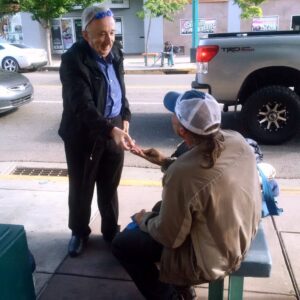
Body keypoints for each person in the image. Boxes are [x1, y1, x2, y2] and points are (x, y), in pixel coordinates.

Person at [112, 90, 262, 299]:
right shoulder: (236, 140)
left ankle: (170, 295)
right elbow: (206, 177)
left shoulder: (182, 173)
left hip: (212, 260)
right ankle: (181, 287)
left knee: (122, 244)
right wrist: (164, 161)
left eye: (174, 112)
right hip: (239, 236)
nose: (171, 115)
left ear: (181, 130)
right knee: (160, 208)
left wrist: (143, 219)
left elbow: (169, 236)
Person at [58, 4, 134, 257]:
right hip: (83, 134)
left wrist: (125, 116)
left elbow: (120, 88)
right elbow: (81, 105)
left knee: (109, 186)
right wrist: (110, 130)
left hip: (113, 128)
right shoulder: (72, 61)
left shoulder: (116, 52)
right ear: (86, 35)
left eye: (112, 32)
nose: (108, 40)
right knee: (82, 186)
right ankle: (79, 231)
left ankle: (111, 232)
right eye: (101, 34)